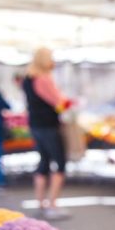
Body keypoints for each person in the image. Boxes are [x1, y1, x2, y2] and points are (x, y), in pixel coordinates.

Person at [22, 47, 74, 217]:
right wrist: (71, 103)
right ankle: (52, 204)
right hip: (49, 125)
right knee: (60, 161)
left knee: (43, 161)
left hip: (35, 125)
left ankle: (40, 202)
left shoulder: (28, 79)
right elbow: (58, 101)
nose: (53, 61)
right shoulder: (43, 79)